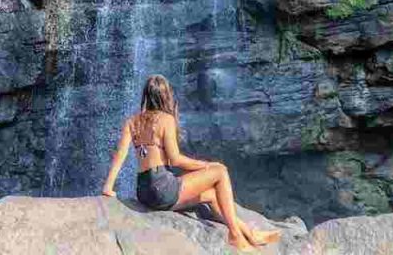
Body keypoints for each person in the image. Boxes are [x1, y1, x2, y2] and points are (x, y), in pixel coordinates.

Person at [100, 74, 281, 251]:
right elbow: (175, 159)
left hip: (144, 193)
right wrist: (205, 166)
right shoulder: (166, 119)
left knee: (210, 195)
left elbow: (120, 156)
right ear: (165, 95)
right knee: (220, 171)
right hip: (162, 187)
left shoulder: (132, 122)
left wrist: (108, 187)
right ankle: (235, 235)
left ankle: (249, 233)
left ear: (146, 95)